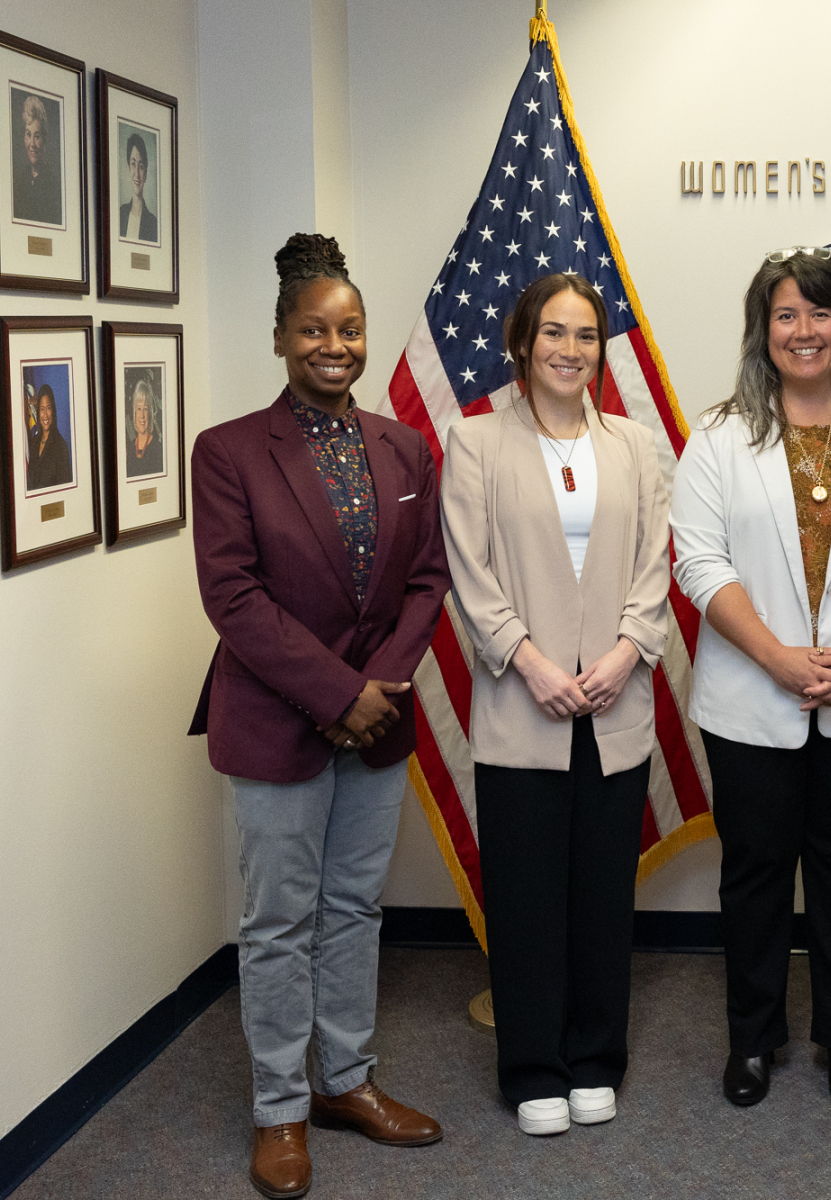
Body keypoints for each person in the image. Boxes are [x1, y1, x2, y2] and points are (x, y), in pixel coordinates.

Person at [189, 233, 449, 1200]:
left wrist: (374, 691)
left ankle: (345, 1081)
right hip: (278, 724)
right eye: (313, 330)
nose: (334, 346)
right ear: (279, 338)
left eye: (350, 329)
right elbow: (234, 597)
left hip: (377, 724)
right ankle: (279, 1109)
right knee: (277, 922)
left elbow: (427, 581)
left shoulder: (406, 447)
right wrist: (340, 695)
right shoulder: (227, 453)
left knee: (353, 908)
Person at [670, 247, 831, 1109]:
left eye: (820, 313)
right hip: (751, 696)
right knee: (753, 873)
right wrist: (780, 658)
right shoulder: (718, 436)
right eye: (787, 314)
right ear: (764, 330)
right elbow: (698, 562)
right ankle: (753, 1040)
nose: (805, 330)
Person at [441, 273, 672, 1138]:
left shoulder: (635, 445)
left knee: (603, 894)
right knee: (527, 895)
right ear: (521, 342)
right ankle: (534, 1066)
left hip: (615, 703)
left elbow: (656, 562)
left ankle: (595, 1058)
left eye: (585, 336)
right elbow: (469, 572)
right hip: (522, 705)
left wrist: (625, 652)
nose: (570, 350)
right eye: (553, 332)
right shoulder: (476, 443)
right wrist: (530, 663)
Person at [12, 93, 63, 226]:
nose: (32, 144)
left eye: (37, 136)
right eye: (28, 134)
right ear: (24, 138)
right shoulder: (18, 180)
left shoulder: (54, 185)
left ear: (44, 139)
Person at [26, 386, 71, 490]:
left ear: (53, 411)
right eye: (42, 409)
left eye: (48, 408)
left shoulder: (61, 446)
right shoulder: (33, 443)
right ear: (38, 411)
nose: (45, 414)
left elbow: (64, 489)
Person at [119, 132, 159, 244]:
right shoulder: (120, 214)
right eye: (133, 164)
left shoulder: (153, 224)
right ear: (128, 168)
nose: (136, 173)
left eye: (141, 167)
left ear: (145, 174)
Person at [126, 377, 164, 478]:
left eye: (145, 409)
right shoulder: (130, 448)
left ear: (150, 413)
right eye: (139, 409)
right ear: (134, 412)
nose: (142, 415)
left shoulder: (158, 449)